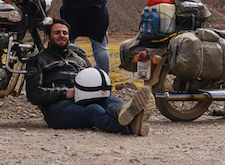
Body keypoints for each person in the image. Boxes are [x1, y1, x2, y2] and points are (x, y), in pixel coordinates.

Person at [26, 19, 154, 136]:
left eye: (65, 33)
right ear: (48, 38)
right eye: (57, 33)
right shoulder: (38, 59)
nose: (62, 36)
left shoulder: (77, 59)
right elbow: (33, 94)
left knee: (111, 101)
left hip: (82, 100)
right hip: (56, 110)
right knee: (94, 110)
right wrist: (65, 93)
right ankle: (130, 127)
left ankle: (125, 113)